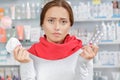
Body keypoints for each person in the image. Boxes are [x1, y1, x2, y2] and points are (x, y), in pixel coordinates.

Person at [13, 0, 99, 80]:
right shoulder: (31, 55)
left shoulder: (81, 54)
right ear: (42, 24)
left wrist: (83, 62)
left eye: (63, 22)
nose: (57, 27)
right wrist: (26, 64)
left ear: (70, 25)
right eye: (51, 21)